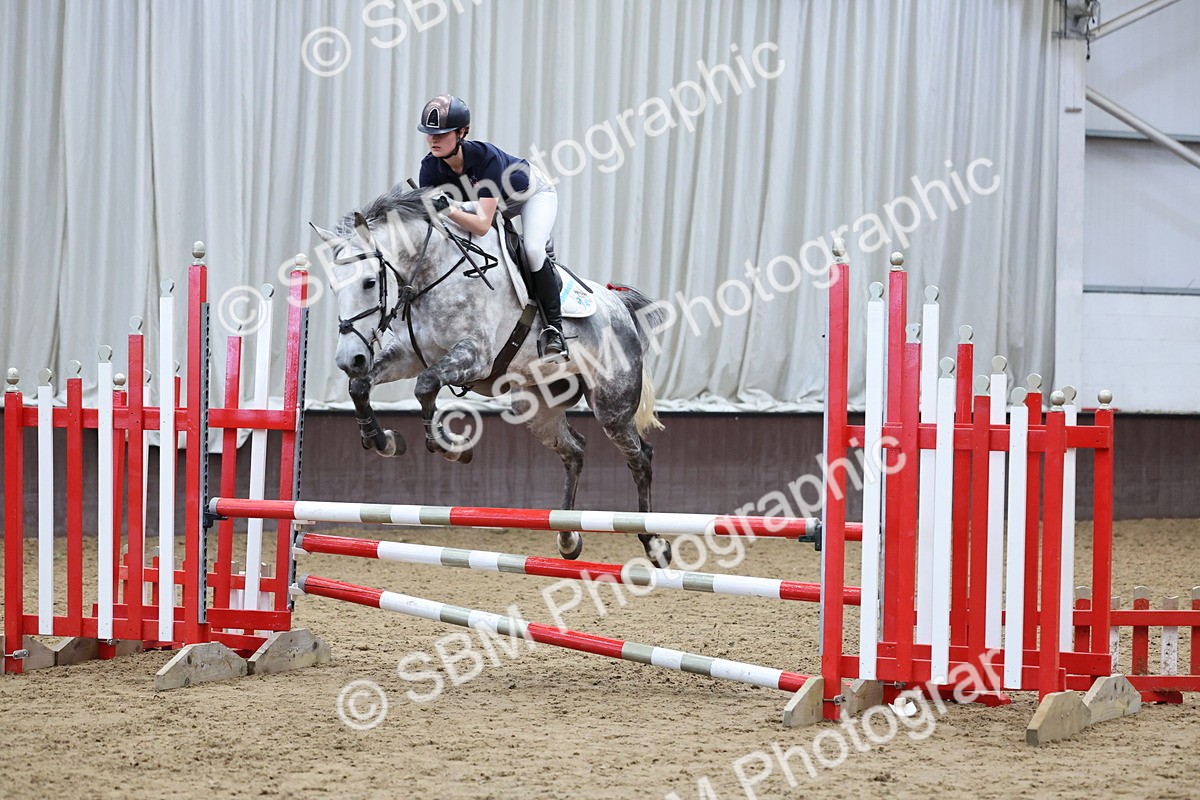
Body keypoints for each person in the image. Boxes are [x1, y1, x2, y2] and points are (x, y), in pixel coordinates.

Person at [416, 93, 568, 360]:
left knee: (532, 250)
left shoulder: (485, 159)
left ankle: (555, 330)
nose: (433, 139)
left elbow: (482, 225)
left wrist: (449, 208)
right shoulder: (429, 168)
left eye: (442, 133)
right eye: (429, 133)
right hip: (489, 205)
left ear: (462, 132)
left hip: (531, 195)